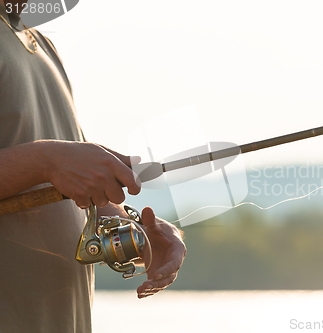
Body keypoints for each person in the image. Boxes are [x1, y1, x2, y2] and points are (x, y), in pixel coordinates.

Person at [0, 1, 186, 332]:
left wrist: (136, 232)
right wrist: (47, 159)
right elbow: (52, 162)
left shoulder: (41, 45)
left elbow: (70, 188)